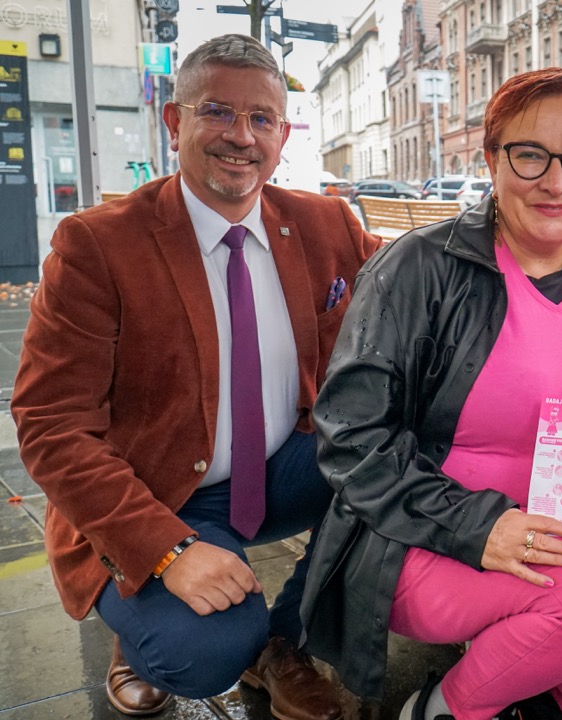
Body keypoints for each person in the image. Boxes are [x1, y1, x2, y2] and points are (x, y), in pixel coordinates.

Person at [298, 68, 562, 720]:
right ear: (492, 157)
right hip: (422, 538)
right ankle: (440, 709)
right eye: (530, 154)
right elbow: (351, 434)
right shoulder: (418, 270)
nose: (556, 180)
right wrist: (481, 526)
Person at [11, 34, 381, 719]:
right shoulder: (97, 244)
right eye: (217, 112)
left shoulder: (323, 221)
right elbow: (50, 425)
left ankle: (282, 640)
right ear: (176, 121)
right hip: (155, 492)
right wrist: (166, 550)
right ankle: (139, 618)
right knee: (200, 653)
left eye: (261, 119)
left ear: (283, 134)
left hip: (278, 468)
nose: (241, 137)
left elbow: (435, 267)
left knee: (408, 457)